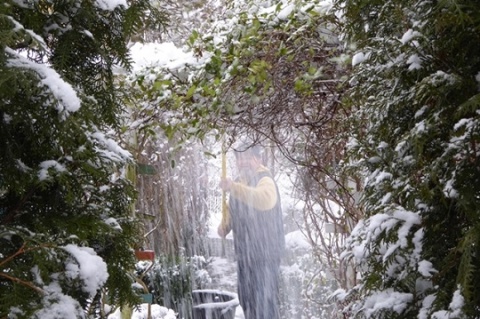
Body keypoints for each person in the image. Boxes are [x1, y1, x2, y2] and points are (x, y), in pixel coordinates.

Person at [218, 144, 285, 319]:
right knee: (248, 302)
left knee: (264, 304)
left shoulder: (265, 179)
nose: (244, 162)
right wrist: (225, 225)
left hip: (265, 255)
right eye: (240, 158)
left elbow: (264, 200)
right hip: (245, 256)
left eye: (248, 157)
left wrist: (233, 187)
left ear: (259, 159)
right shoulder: (238, 184)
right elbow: (232, 216)